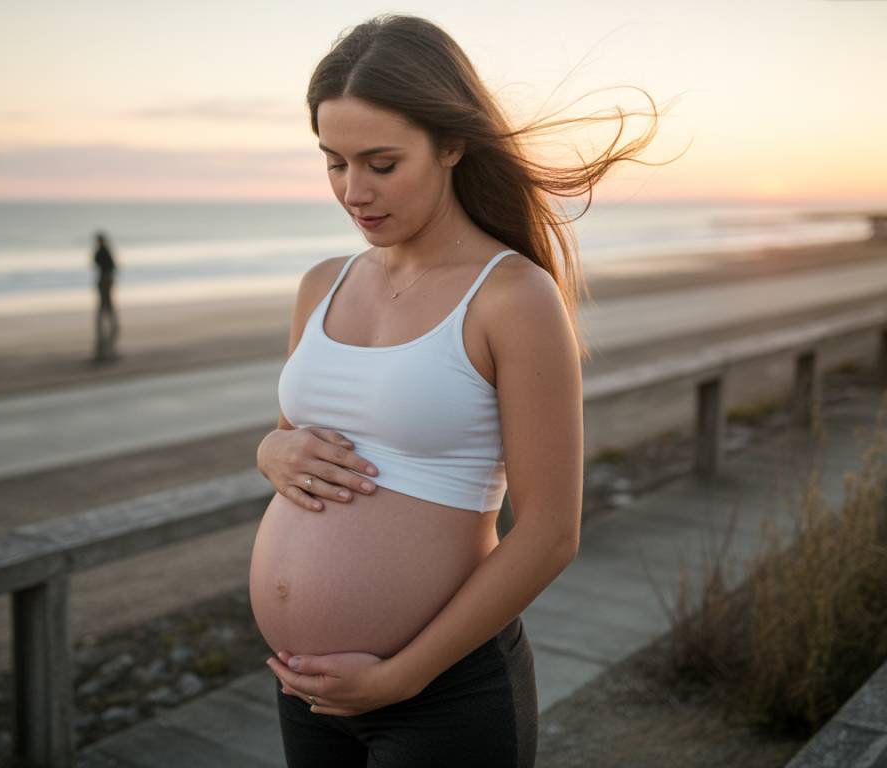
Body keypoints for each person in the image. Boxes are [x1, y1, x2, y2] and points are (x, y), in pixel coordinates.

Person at [251, 14, 671, 767]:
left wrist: (400, 677)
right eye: (334, 163)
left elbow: (550, 532)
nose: (353, 191)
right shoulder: (321, 285)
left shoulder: (512, 297)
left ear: (451, 144)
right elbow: (299, 443)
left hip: (441, 696)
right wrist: (269, 450)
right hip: (306, 690)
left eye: (382, 163)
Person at [92, 230, 119, 360]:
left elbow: (100, 263)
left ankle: (109, 321)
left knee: (105, 303)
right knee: (107, 303)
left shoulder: (102, 251)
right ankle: (111, 320)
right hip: (106, 279)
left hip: (105, 279)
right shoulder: (105, 251)